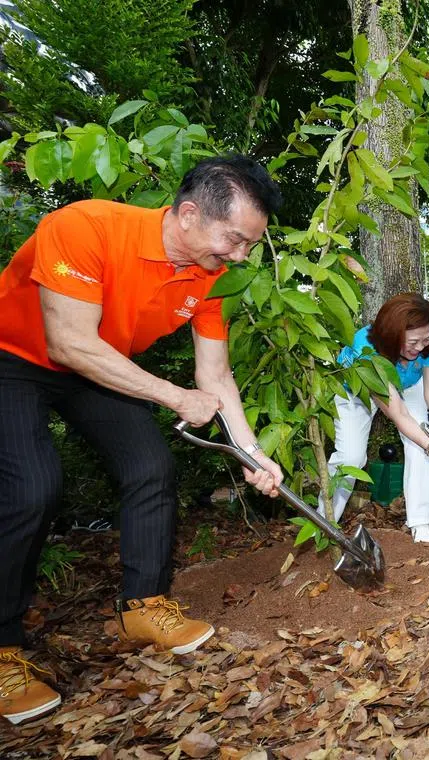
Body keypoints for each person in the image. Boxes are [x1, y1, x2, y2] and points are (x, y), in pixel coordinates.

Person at [0, 155, 285, 724]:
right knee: (31, 488)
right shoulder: (84, 227)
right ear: (187, 214)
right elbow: (69, 343)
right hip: (15, 357)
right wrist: (175, 397)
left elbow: (216, 377)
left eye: (251, 245)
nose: (240, 256)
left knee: (151, 467)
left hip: (97, 366)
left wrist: (252, 453)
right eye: (235, 239)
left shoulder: (211, 278)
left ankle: (143, 604)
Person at [324, 294, 429, 542]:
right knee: (351, 457)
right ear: (393, 334)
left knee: (421, 442)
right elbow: (397, 413)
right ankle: (323, 520)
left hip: (407, 384)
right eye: (413, 341)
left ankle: (420, 522)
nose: (421, 347)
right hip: (357, 390)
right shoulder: (366, 349)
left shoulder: (428, 339)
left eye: (426, 339)